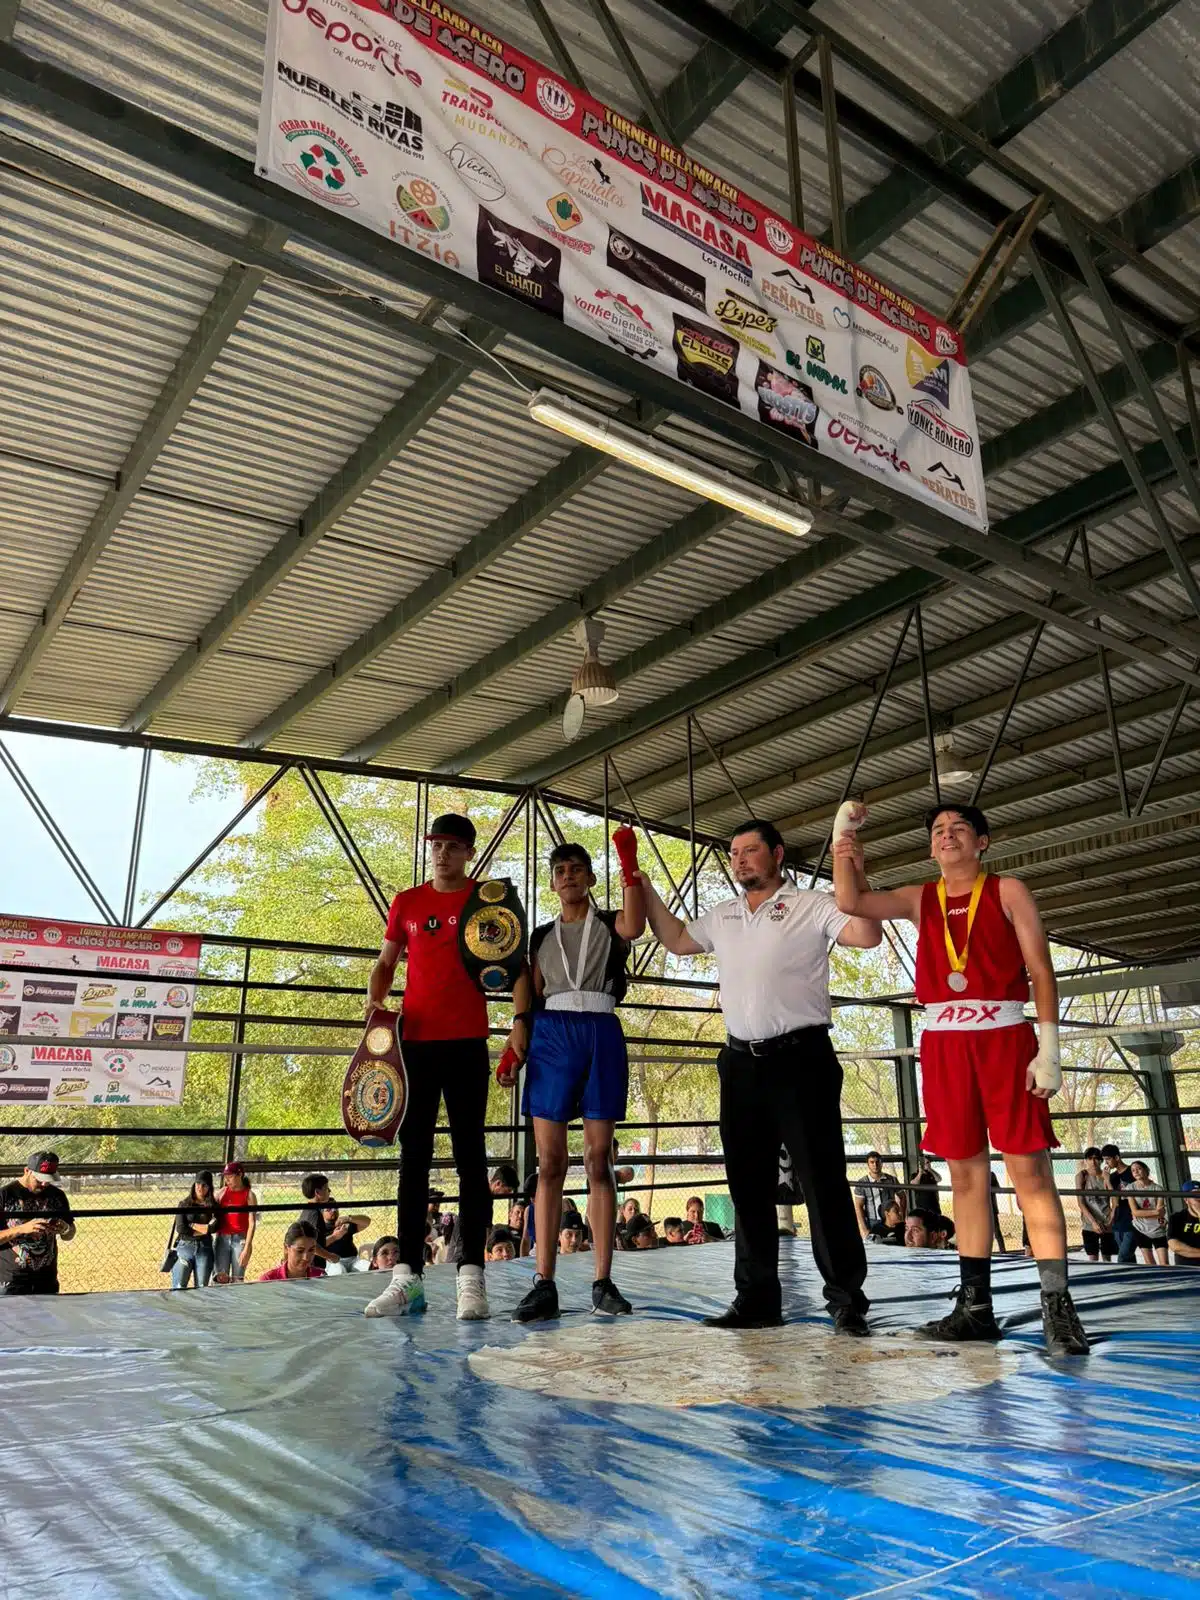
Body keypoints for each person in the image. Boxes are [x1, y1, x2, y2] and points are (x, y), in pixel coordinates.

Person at [833, 801, 1088, 1356]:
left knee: (1030, 1175)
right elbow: (850, 901)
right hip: (945, 1044)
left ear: (982, 842)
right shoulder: (920, 897)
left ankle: (1058, 1311)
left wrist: (1050, 1049)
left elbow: (1041, 969)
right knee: (966, 1178)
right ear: (931, 846)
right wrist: (843, 843)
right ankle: (975, 1309)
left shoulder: (1008, 890)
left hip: (1004, 1038)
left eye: (960, 829)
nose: (947, 837)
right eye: (938, 831)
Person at [642, 818, 881, 1334]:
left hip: (802, 1058)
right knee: (747, 1186)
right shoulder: (724, 915)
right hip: (740, 1062)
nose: (741, 859)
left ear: (777, 854)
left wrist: (851, 869)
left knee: (822, 1181)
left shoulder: (813, 903)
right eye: (733, 852)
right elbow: (679, 940)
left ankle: (845, 1299)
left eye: (751, 850)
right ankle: (756, 1299)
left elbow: (865, 934)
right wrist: (642, 885)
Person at [365, 813, 525, 1321]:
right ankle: (407, 1278)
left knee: (471, 1160)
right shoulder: (407, 902)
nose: (442, 853)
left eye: (453, 846)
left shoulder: (489, 899)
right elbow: (386, 964)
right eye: (436, 844)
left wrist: (519, 1025)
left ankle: (471, 1277)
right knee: (413, 1160)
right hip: (414, 1046)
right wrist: (375, 1008)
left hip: (467, 1044)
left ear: (469, 852)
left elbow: (514, 966)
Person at [504, 837, 645, 1323]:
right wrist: (517, 1031)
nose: (568, 875)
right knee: (548, 1162)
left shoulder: (610, 923)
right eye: (560, 869)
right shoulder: (540, 936)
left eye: (576, 868)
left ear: (589, 877)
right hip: (552, 1036)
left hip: (601, 1030)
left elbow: (637, 922)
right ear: (552, 881)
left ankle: (602, 1281)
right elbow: (531, 988)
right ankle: (544, 1282)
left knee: (598, 1159)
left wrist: (628, 863)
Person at [0, 1151, 75, 1296]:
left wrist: (64, 1228)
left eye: (49, 1179)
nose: (45, 1183)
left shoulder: (57, 1196)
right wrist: (21, 1229)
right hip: (11, 1282)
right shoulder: (5, 1195)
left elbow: (70, 1234)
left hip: (47, 1280)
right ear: (27, 1171)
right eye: (39, 1179)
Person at [172, 1171, 219, 1291]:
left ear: (209, 1187)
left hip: (205, 1248)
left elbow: (214, 1227)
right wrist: (204, 1228)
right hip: (185, 1247)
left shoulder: (214, 1206)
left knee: (202, 1288)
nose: (200, 1187)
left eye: (204, 1185)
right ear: (194, 1184)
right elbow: (181, 1228)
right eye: (198, 1183)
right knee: (179, 1287)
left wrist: (192, 1225)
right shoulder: (184, 1204)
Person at [213, 1161, 257, 1283]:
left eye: (230, 1176)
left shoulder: (249, 1195)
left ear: (240, 1175)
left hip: (240, 1240)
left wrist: (247, 1247)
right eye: (225, 1177)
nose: (227, 1180)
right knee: (221, 1278)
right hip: (222, 1238)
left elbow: (252, 1223)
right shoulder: (222, 1192)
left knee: (237, 1279)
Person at [1076, 1148, 1116, 1263]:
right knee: (1093, 1258)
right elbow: (1081, 1202)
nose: (1093, 1162)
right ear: (1086, 1160)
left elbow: (1114, 1198)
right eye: (1090, 1159)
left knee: (1107, 1259)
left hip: (1106, 1221)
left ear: (1101, 1161)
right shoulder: (1082, 1176)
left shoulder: (1106, 1176)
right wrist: (1093, 1222)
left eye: (1096, 1159)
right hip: (1089, 1223)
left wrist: (1111, 1218)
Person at [852, 1152, 904, 1238]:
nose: (875, 1165)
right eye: (872, 1162)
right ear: (868, 1164)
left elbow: (902, 1196)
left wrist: (901, 1214)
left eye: (877, 1162)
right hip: (872, 1221)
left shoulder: (891, 1179)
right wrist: (864, 1229)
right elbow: (858, 1206)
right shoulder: (862, 1183)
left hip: (891, 1220)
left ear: (881, 1163)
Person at [1128, 1161, 1170, 1266]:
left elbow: (1160, 1213)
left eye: (1139, 1169)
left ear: (1146, 1170)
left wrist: (1154, 1213)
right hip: (1140, 1228)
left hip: (1158, 1228)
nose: (1136, 1172)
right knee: (1149, 1263)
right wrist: (1154, 1212)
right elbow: (1135, 1212)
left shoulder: (1158, 1188)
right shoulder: (1130, 1188)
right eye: (1133, 1170)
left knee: (1164, 1263)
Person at [1103, 1144, 1138, 1265]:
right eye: (1104, 1160)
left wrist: (1107, 1180)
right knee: (1128, 1256)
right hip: (1119, 1220)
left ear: (1117, 1157)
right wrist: (1111, 1218)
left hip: (1132, 1219)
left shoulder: (1132, 1173)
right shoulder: (1112, 1177)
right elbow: (1114, 1200)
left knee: (1123, 1256)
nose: (1106, 1163)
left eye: (1108, 1159)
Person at [258, 1221, 322, 1281]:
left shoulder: (320, 1276)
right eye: (300, 1251)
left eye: (311, 1250)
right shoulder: (269, 1280)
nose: (306, 1257)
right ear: (286, 1248)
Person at [1167, 1179, 1200, 1265]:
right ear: (1186, 1200)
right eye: (1195, 1195)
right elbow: (1175, 1246)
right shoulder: (1176, 1218)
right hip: (1186, 1267)